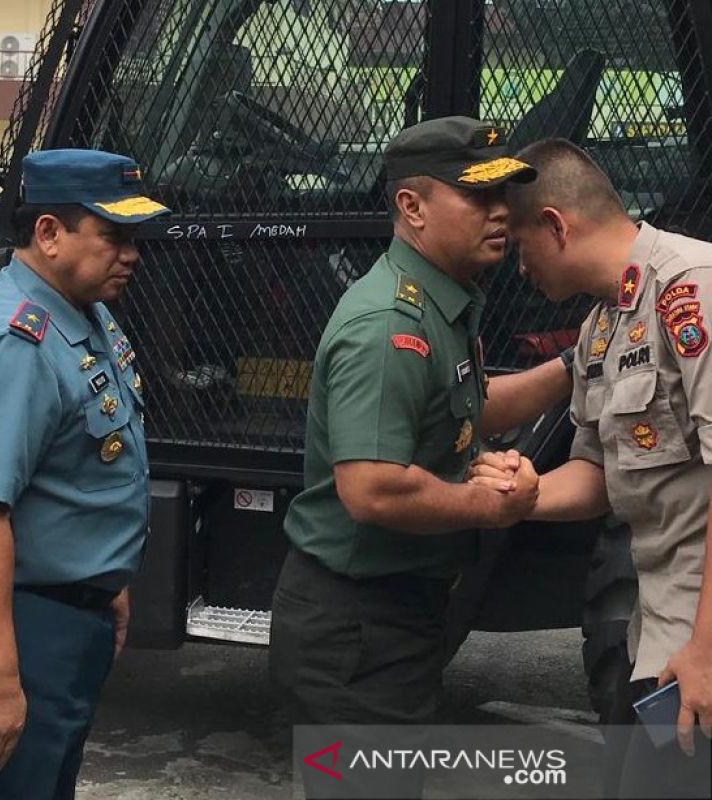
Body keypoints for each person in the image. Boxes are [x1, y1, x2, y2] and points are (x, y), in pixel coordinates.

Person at [270, 116, 575, 797]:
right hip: (358, 628)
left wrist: (574, 367)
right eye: (477, 196)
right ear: (411, 206)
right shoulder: (390, 326)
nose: (501, 213)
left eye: (504, 195)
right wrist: (492, 506)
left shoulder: (440, 301)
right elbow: (372, 490)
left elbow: (469, 405)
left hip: (391, 617)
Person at [0, 149, 170, 798]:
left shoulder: (80, 309)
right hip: (18, 624)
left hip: (58, 616)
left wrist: (104, 582)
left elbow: (74, 476)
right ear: (50, 233)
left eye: (134, 238)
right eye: (113, 236)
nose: (131, 254)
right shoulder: (16, 345)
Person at [471, 137, 711, 798]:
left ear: (555, 226)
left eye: (520, 246)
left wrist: (705, 651)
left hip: (699, 636)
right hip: (659, 627)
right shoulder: (601, 331)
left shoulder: (693, 289)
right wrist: (525, 494)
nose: (519, 268)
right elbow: (600, 474)